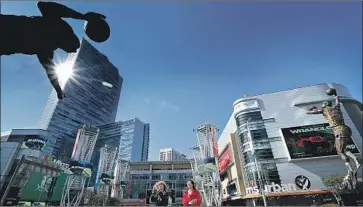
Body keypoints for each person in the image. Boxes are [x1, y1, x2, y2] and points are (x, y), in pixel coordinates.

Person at [0, 1, 108, 100]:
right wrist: (82, 16)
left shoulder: (47, 49)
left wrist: (58, 90)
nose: (73, 51)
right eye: (72, 48)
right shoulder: (54, 24)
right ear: (68, 38)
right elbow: (42, 4)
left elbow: (51, 72)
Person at [306, 95, 361, 173]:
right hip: (346, 129)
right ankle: (355, 160)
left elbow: (308, 112)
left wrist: (311, 108)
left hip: (339, 130)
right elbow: (337, 102)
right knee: (340, 147)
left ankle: (352, 167)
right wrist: (336, 96)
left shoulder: (325, 109)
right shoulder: (336, 108)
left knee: (340, 151)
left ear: (325, 105)